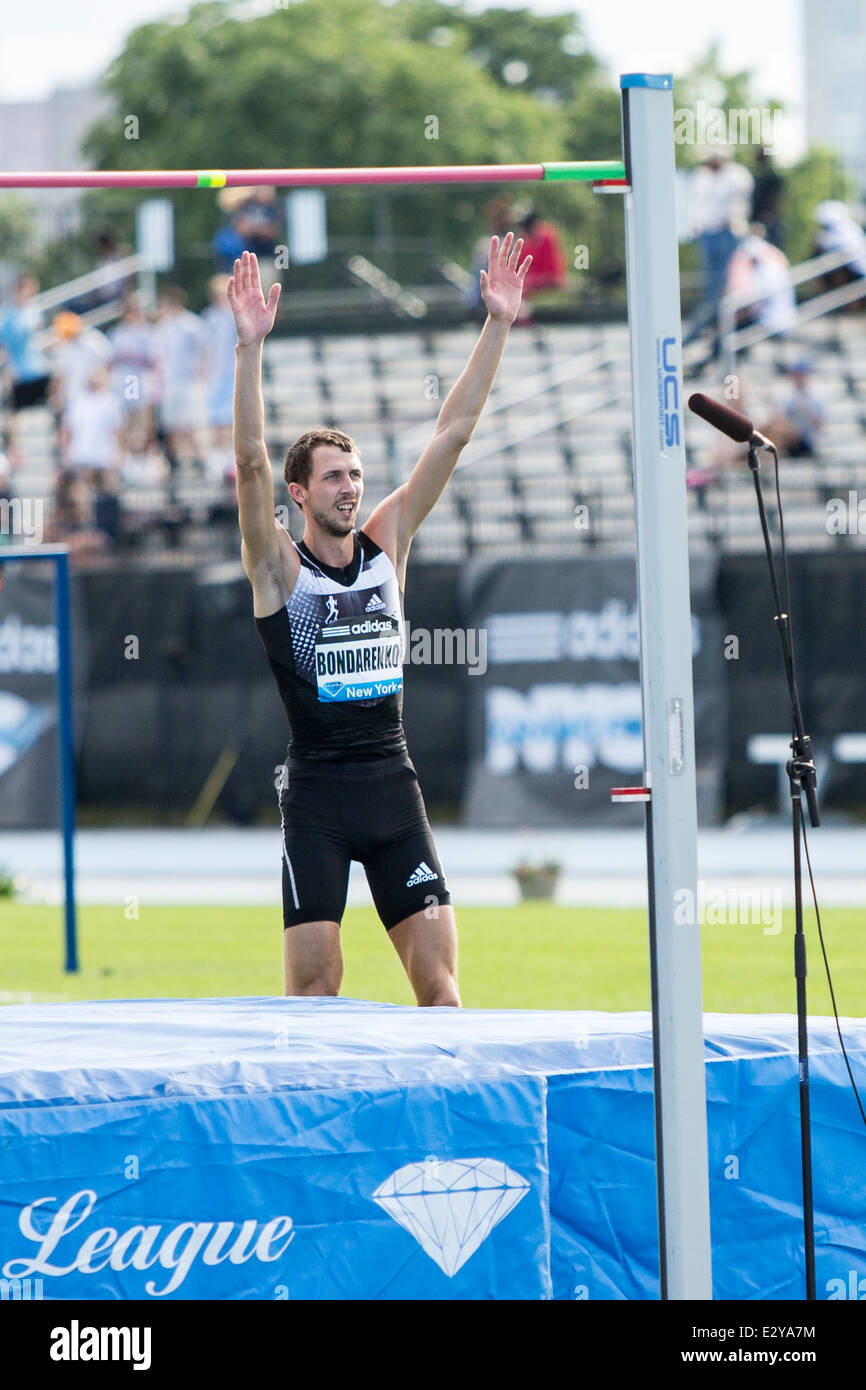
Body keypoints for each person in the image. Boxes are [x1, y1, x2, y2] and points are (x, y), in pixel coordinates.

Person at [228, 239, 532, 1004]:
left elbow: (453, 432)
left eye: (356, 475)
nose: (350, 489)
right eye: (334, 478)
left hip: (394, 791)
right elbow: (251, 462)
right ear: (299, 495)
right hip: (318, 799)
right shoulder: (279, 572)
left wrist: (496, 323)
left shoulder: (386, 543)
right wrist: (249, 349)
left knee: (441, 992)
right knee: (315, 994)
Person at [688, 149, 754, 353]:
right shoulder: (701, 176)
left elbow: (740, 204)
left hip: (729, 233)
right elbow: (696, 205)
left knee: (729, 284)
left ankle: (722, 321)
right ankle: (714, 321)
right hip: (709, 233)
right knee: (714, 287)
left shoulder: (737, 175)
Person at [152, 286, 207, 481]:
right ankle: (175, 463)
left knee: (191, 424)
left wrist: (201, 373)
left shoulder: (191, 324)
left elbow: (203, 350)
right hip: (170, 384)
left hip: (188, 382)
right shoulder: (162, 327)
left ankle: (201, 462)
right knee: (171, 426)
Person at [0, 274, 52, 468]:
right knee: (12, 416)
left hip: (38, 370)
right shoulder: (7, 315)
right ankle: (15, 452)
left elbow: (41, 338)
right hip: (19, 374)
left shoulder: (34, 311)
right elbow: (3, 346)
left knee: (58, 386)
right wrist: (7, 371)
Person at [201, 274, 238, 480]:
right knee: (215, 417)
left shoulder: (236, 314)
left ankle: (231, 455)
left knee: (230, 416)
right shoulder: (209, 317)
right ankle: (219, 456)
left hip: (232, 371)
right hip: (215, 373)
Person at [762, 359, 825, 458]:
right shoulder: (790, 395)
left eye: (798, 375)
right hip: (790, 439)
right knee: (769, 426)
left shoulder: (814, 397)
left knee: (777, 428)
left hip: (805, 441)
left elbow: (820, 425)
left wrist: (807, 412)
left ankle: (770, 456)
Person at [514, 208, 568, 323]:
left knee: (521, 290)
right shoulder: (527, 238)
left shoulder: (545, 236)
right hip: (535, 279)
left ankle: (525, 324)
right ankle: (522, 323)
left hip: (551, 278)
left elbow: (550, 269)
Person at [750, 146, 784, 249]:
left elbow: (776, 199)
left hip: (768, 221)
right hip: (756, 221)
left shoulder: (773, 177)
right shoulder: (755, 176)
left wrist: (767, 217)